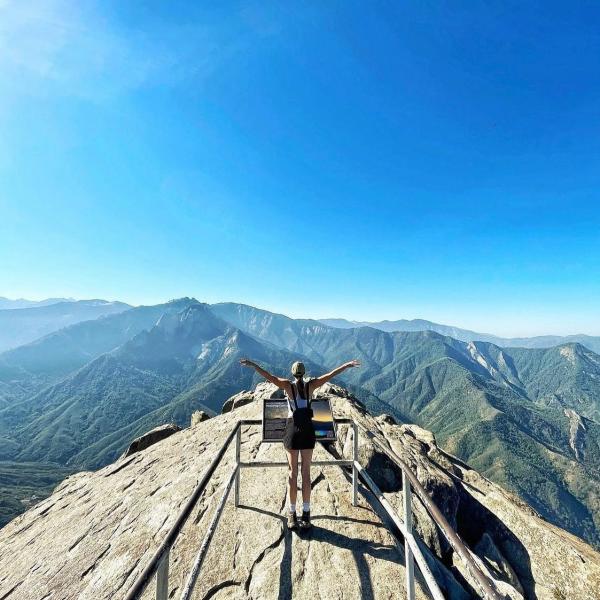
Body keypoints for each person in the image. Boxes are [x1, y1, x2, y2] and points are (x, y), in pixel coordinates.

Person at [239, 357, 361, 531]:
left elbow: (269, 376)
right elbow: (330, 375)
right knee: (306, 473)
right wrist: (346, 365)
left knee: (292, 472)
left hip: (292, 431)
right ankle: (306, 512)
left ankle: (291, 514)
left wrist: (253, 365)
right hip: (308, 432)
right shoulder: (311, 386)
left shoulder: (287, 386)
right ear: (304, 373)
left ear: (292, 372)